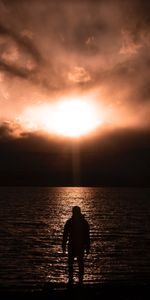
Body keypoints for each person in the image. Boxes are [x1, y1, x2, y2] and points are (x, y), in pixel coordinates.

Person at [62, 206, 90, 285]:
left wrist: (63, 245)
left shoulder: (70, 222)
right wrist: (87, 247)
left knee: (75, 263)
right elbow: (87, 236)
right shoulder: (83, 222)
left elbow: (65, 235)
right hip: (77, 245)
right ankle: (76, 280)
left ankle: (76, 280)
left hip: (75, 245)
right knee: (77, 263)